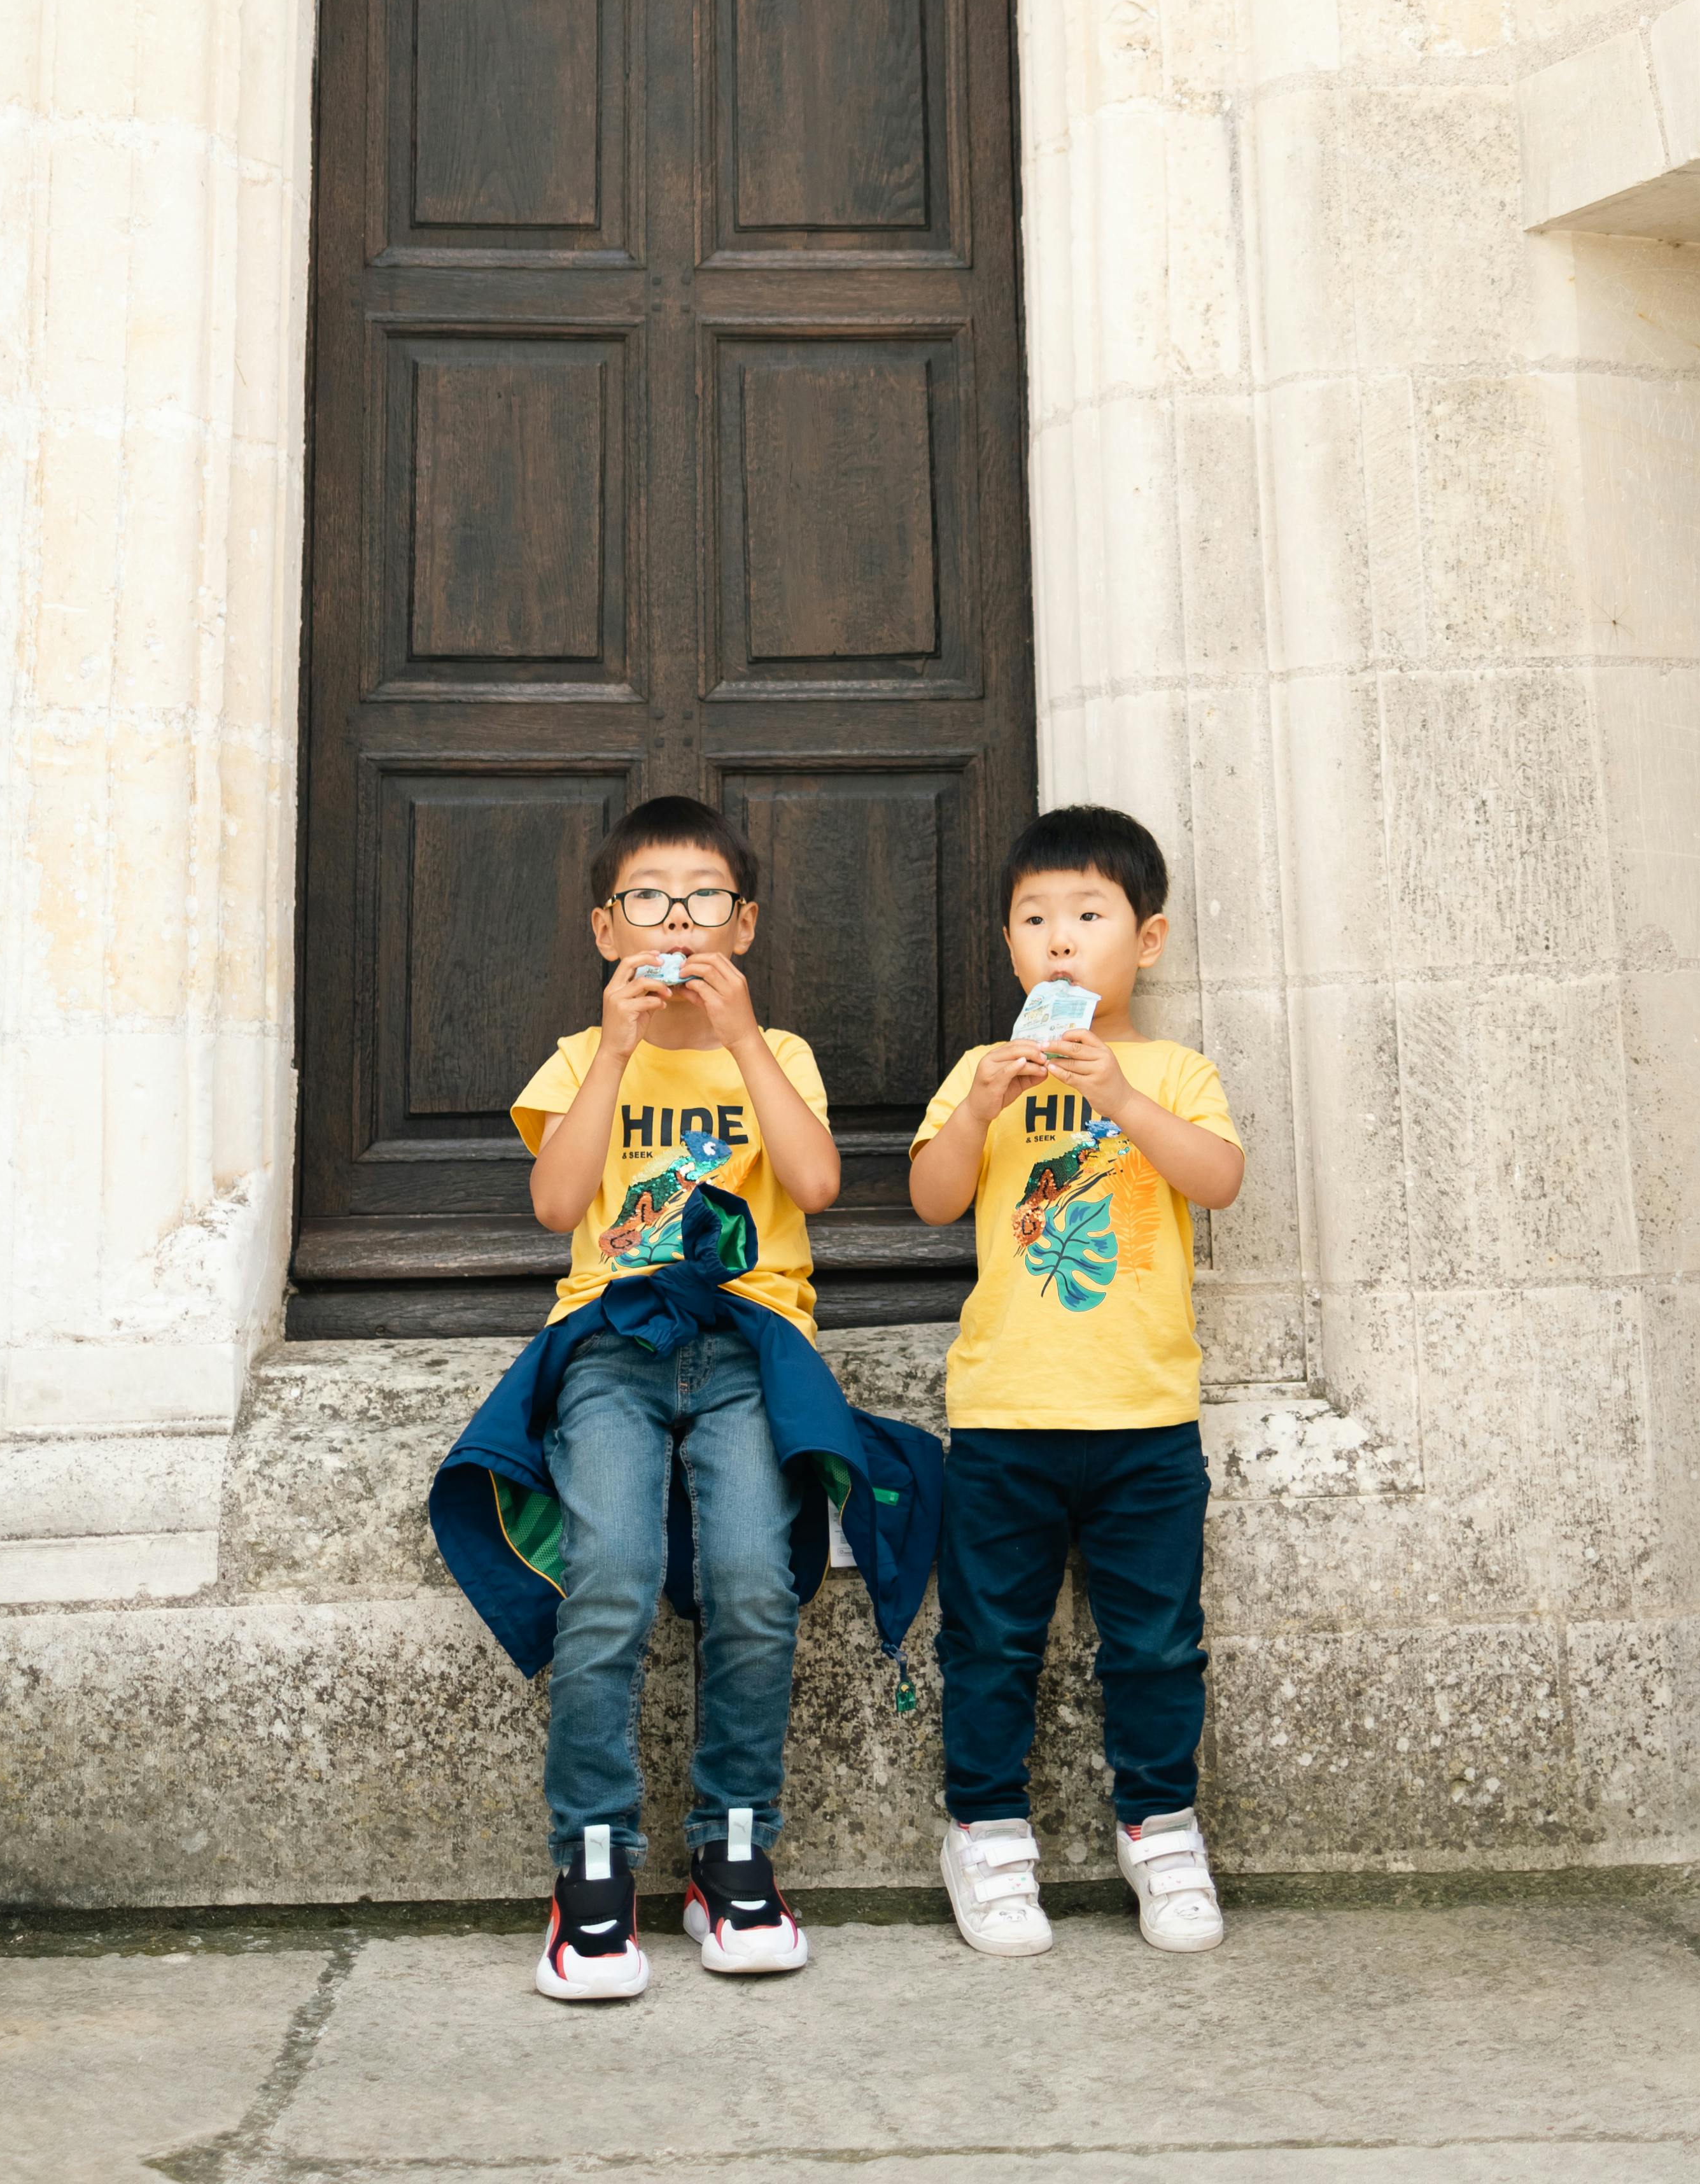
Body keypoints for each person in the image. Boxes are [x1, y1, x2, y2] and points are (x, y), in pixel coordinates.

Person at [514, 794, 839, 1998]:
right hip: (610, 1346)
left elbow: (815, 1178)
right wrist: (611, 1049)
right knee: (610, 1579)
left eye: (704, 899)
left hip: (751, 1344)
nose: (678, 921)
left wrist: (746, 1042)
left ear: (742, 926)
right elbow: (558, 1208)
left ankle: (733, 1851)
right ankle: (590, 1868)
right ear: (609, 930)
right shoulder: (577, 1057)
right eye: (650, 899)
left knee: (756, 1578)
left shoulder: (780, 1055)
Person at [910, 803, 1244, 1957]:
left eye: (1088, 917)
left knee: (1155, 1640)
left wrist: (1120, 1098)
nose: (1060, 941)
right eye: (1036, 920)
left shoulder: (1171, 1069)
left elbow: (1218, 1180)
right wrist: (986, 1107)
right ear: (1009, 946)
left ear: (1144, 942)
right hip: (1005, 1413)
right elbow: (934, 1198)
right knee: (993, 1640)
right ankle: (989, 1833)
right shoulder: (980, 1072)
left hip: (1146, 1416)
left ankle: (1160, 1827)